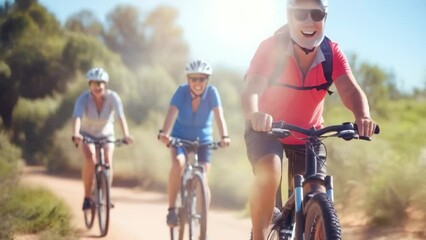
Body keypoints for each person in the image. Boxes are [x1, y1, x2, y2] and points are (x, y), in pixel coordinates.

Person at [240, 0, 377, 239]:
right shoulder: (270, 48)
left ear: (325, 18)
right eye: (300, 14)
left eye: (316, 14)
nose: (309, 21)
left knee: (317, 187)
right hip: (267, 128)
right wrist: (254, 115)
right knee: (270, 170)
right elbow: (251, 89)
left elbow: (350, 90)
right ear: (290, 17)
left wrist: (363, 116)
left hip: (309, 133)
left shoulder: (331, 52)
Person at [158, 59, 231, 227]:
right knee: (178, 163)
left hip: (203, 140)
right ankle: (171, 210)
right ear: (188, 80)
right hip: (179, 138)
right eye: (194, 79)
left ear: (207, 80)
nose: (198, 83)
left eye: (202, 79)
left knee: (203, 176)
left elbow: (220, 117)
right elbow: (171, 113)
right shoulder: (181, 92)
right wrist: (164, 133)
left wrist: (225, 136)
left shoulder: (212, 93)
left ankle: (201, 220)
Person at [71, 67, 133, 211]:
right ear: (89, 85)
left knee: (107, 159)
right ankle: (87, 197)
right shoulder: (83, 99)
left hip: (106, 134)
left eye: (101, 83)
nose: (98, 87)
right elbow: (77, 117)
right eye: (94, 83)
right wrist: (76, 134)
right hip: (87, 134)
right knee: (90, 157)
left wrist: (126, 135)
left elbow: (120, 117)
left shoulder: (113, 98)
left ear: (106, 84)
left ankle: (105, 197)